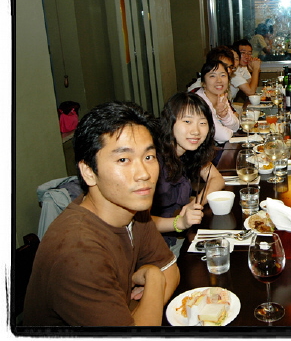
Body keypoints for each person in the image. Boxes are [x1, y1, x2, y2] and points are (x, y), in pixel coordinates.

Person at [23, 101, 179, 326]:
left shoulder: (132, 209)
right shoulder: (77, 250)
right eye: (123, 160)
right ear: (88, 172)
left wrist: (141, 313)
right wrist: (154, 278)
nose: (144, 174)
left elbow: (170, 269)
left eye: (149, 157)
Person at [151, 92, 225, 257]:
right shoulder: (153, 160)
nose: (196, 131)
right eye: (187, 121)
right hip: (153, 248)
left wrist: (197, 203)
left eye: (202, 123)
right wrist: (179, 223)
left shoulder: (189, 151)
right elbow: (136, 223)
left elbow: (216, 179)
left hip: (176, 238)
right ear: (170, 123)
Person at [188, 60, 240, 144]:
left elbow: (236, 127)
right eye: (212, 76)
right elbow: (223, 136)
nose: (219, 80)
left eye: (223, 75)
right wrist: (228, 129)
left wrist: (224, 116)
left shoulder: (221, 97)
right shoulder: (198, 102)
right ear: (203, 83)